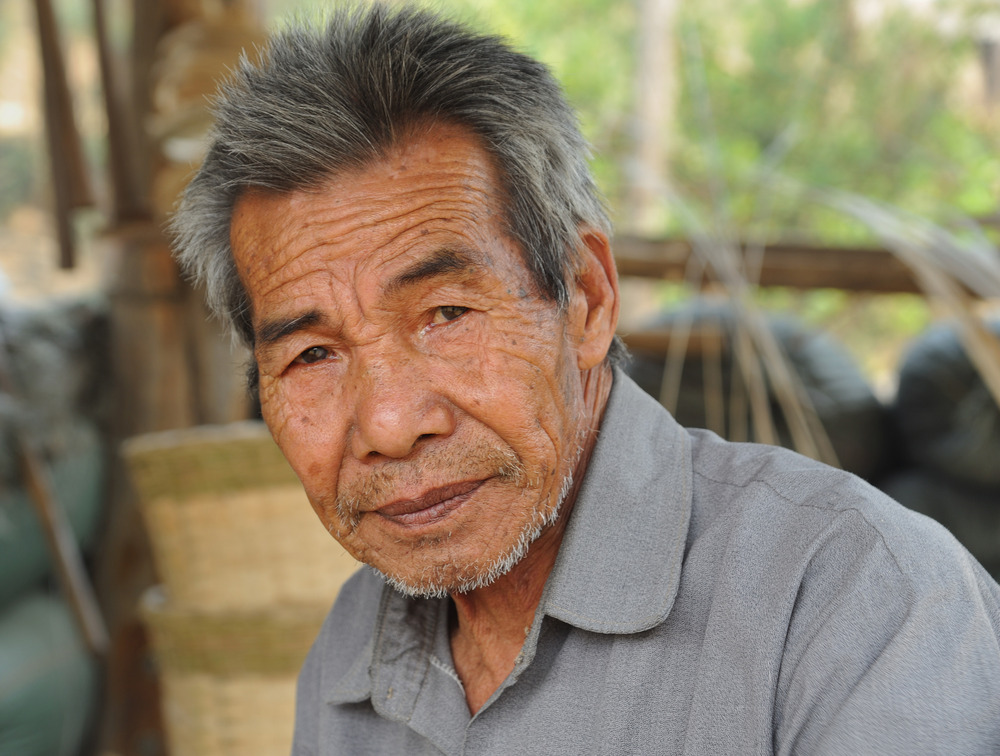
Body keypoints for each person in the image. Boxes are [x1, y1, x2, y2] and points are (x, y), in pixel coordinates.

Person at [171, 4, 1000, 754]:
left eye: (448, 314)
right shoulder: (355, 645)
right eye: (313, 355)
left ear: (588, 300)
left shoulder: (856, 602)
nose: (389, 423)